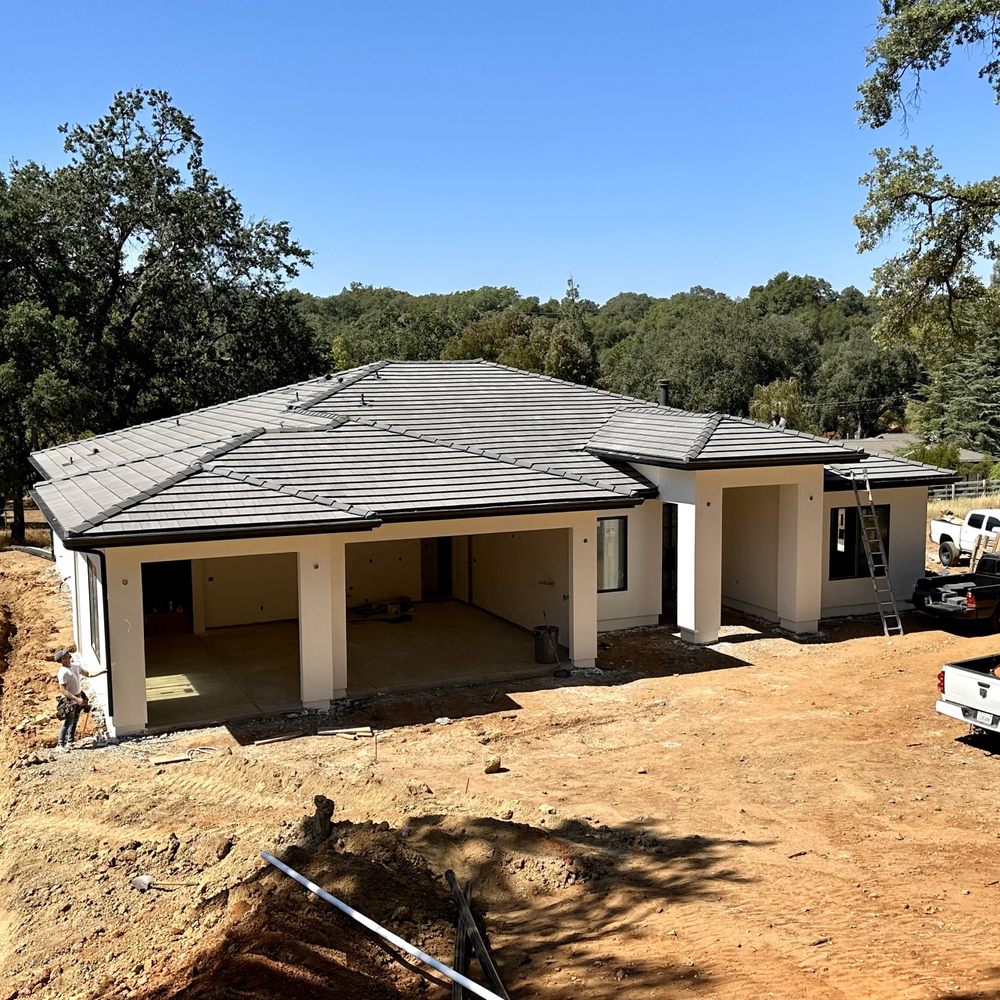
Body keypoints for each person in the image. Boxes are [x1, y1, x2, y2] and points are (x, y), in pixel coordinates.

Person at [54, 648, 105, 749]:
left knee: (75, 720)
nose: (69, 655)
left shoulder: (75, 667)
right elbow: (63, 691)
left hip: (78, 698)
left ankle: (70, 741)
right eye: (66, 655)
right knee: (68, 722)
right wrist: (76, 699)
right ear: (63, 659)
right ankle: (60, 744)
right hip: (69, 701)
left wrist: (101, 672)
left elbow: (88, 674)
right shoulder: (63, 672)